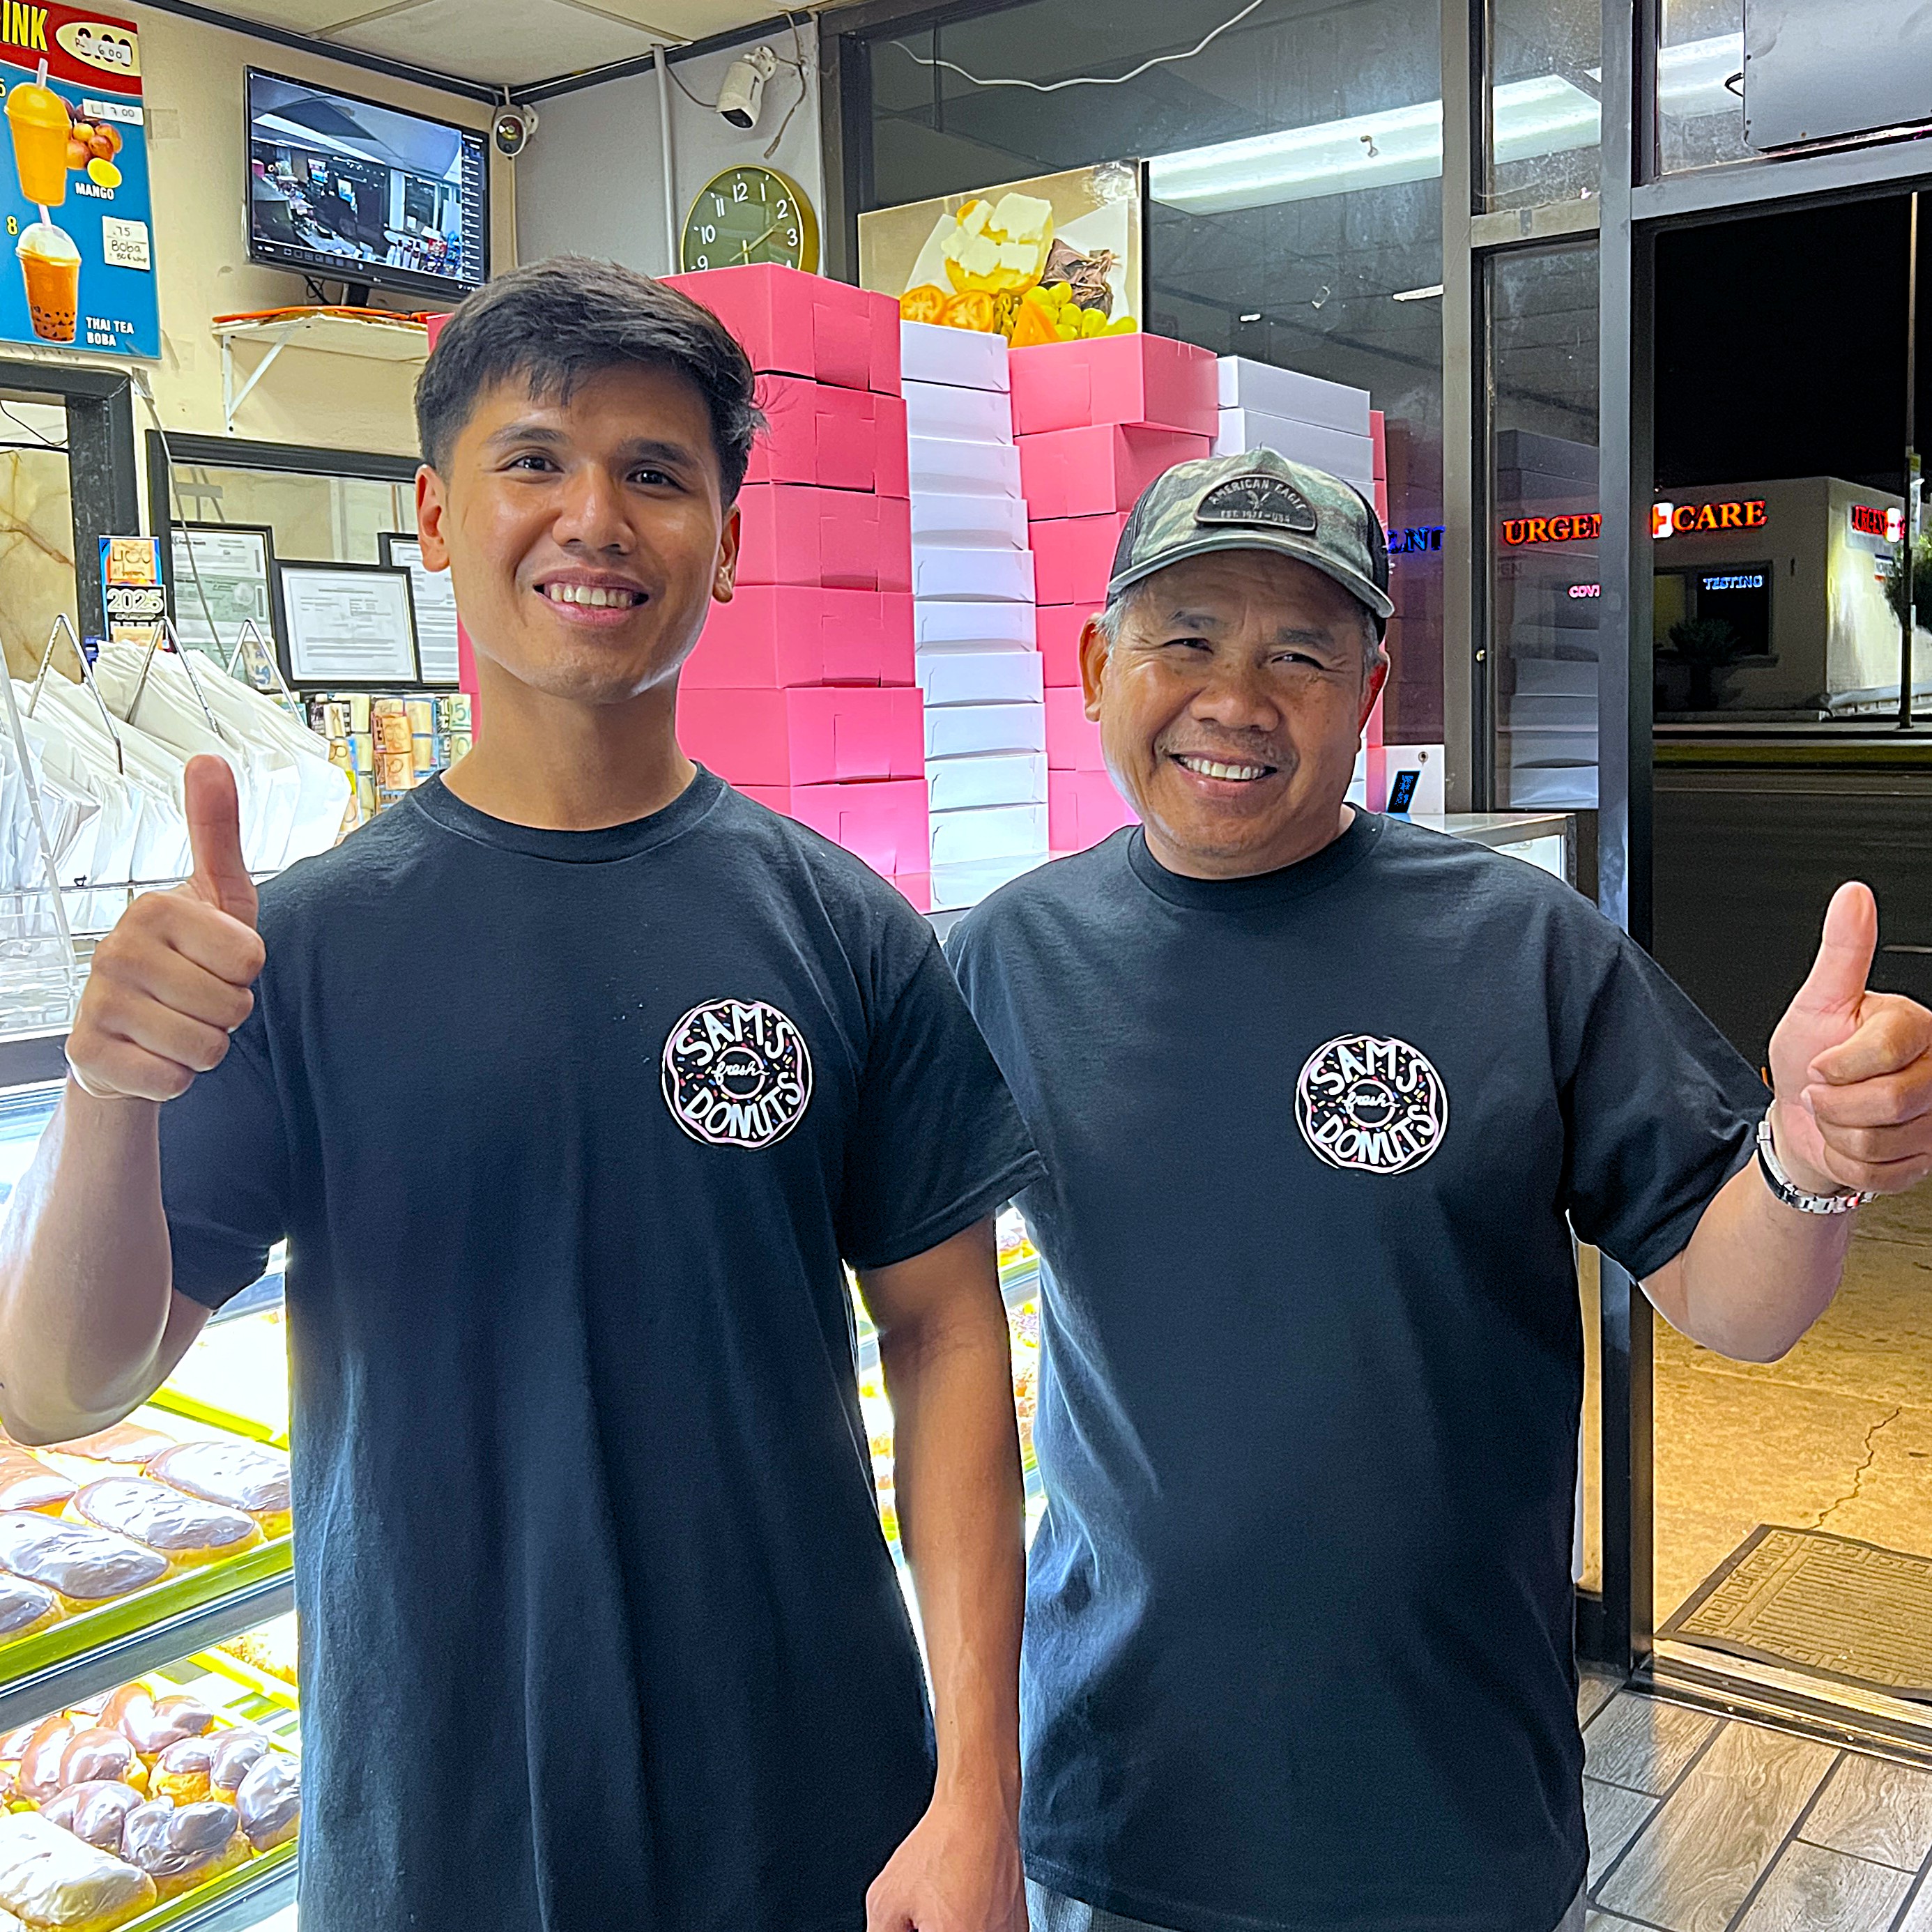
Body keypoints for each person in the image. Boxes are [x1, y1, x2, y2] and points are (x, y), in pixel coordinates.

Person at [0, 257, 1040, 1932]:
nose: (595, 517)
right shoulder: (304, 951)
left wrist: (978, 1791)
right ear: (433, 510)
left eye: (657, 473)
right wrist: (109, 1096)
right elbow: (58, 1389)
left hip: (812, 1795)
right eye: (535, 459)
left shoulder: (841, 927)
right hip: (437, 1817)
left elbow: (946, 1335)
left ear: (729, 535)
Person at [945, 448, 1932, 1932]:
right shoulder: (1007, 961)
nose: (1236, 699)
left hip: (1446, 1807)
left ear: (1371, 689)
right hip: (1121, 1801)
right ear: (1097, 665)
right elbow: (915, 1318)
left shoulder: (1522, 951)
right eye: (1188, 640)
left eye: (1299, 652)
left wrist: (1806, 1157)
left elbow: (1738, 1308)